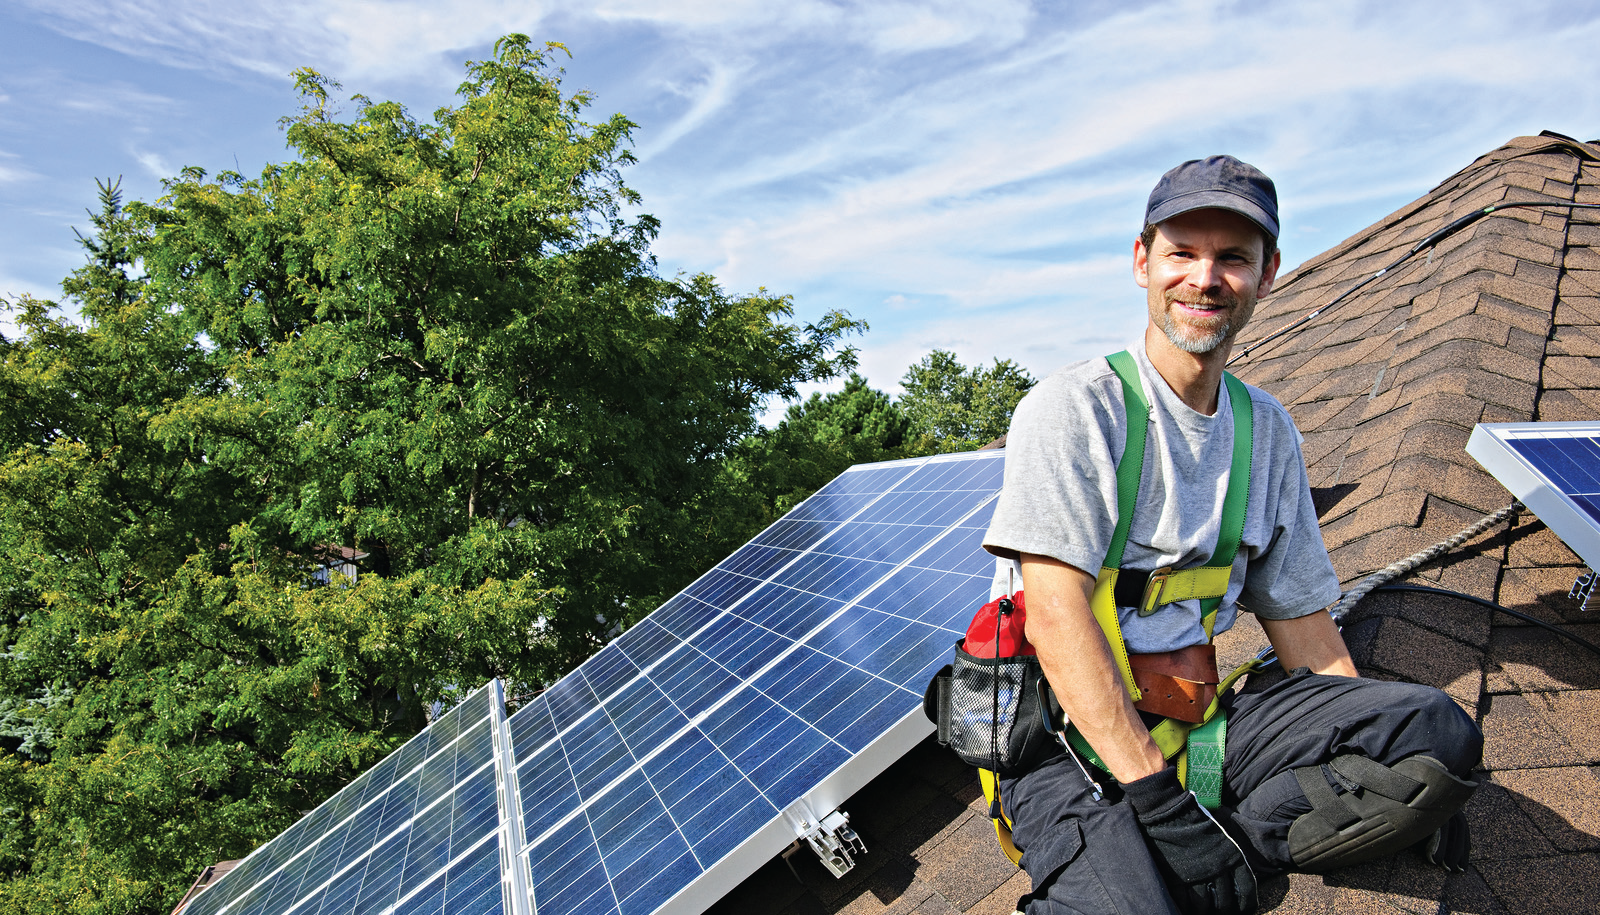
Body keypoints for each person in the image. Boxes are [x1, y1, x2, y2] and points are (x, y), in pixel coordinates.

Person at [980, 156, 1482, 915]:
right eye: (1182, 252)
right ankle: (1142, 867)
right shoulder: (1076, 408)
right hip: (1063, 736)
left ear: (1267, 272)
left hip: (1200, 722)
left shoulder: (1267, 429)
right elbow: (1055, 616)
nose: (1205, 278)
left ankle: (1211, 852)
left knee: (1436, 733)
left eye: (1233, 258)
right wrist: (1157, 799)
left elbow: (1307, 633)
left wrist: (1401, 774)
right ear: (1143, 260)